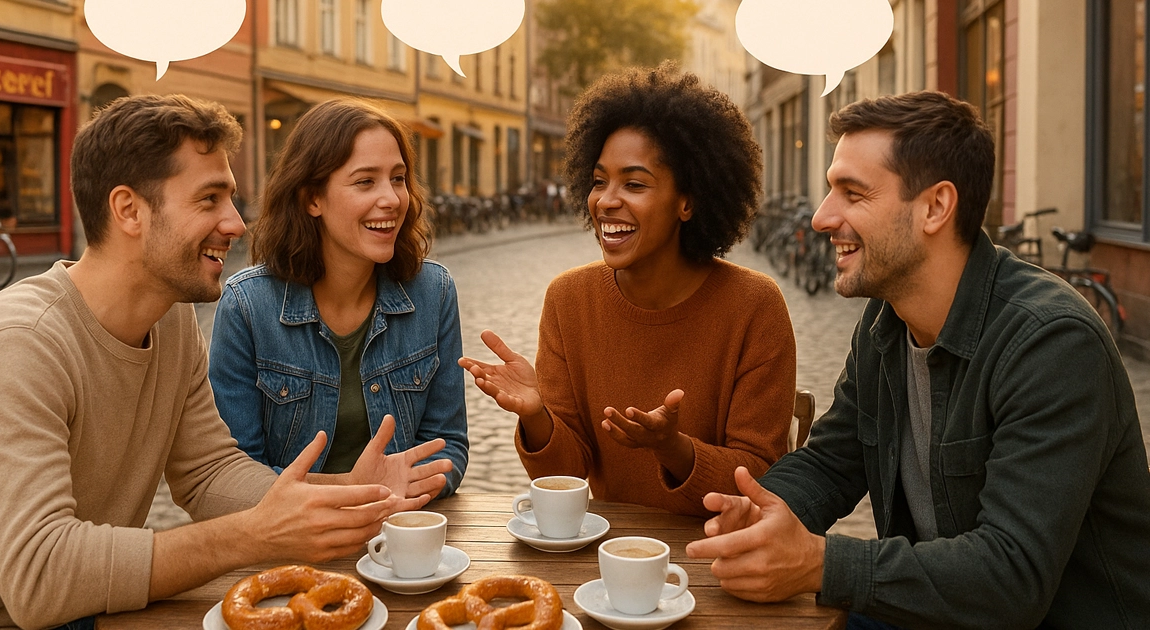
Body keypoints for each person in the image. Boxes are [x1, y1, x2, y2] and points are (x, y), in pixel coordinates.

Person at [0, 94, 451, 629]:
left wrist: (348, 491)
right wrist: (252, 534)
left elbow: (208, 473)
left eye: (230, 199)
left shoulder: (167, 320)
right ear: (129, 210)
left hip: (96, 611)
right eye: (209, 199)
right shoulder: (20, 341)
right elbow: (40, 577)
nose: (236, 224)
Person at [685, 91, 1150, 628]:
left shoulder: (1051, 343)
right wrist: (762, 511)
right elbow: (833, 461)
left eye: (852, 193)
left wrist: (820, 562)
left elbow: (1012, 575)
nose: (821, 217)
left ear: (935, 207)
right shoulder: (888, 320)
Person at [459, 63, 796, 517]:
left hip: (716, 553)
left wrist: (673, 449)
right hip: (610, 558)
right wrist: (536, 415)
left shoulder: (754, 305)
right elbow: (567, 472)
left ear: (688, 201)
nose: (605, 200)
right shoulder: (569, 300)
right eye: (599, 181)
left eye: (634, 184)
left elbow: (759, 477)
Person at [208, 98, 468, 496]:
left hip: (404, 534)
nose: (392, 199)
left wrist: (409, 488)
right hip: (291, 542)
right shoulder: (248, 306)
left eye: (398, 178)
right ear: (313, 198)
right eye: (366, 181)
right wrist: (352, 489)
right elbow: (237, 474)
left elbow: (447, 443)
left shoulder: (433, 292)